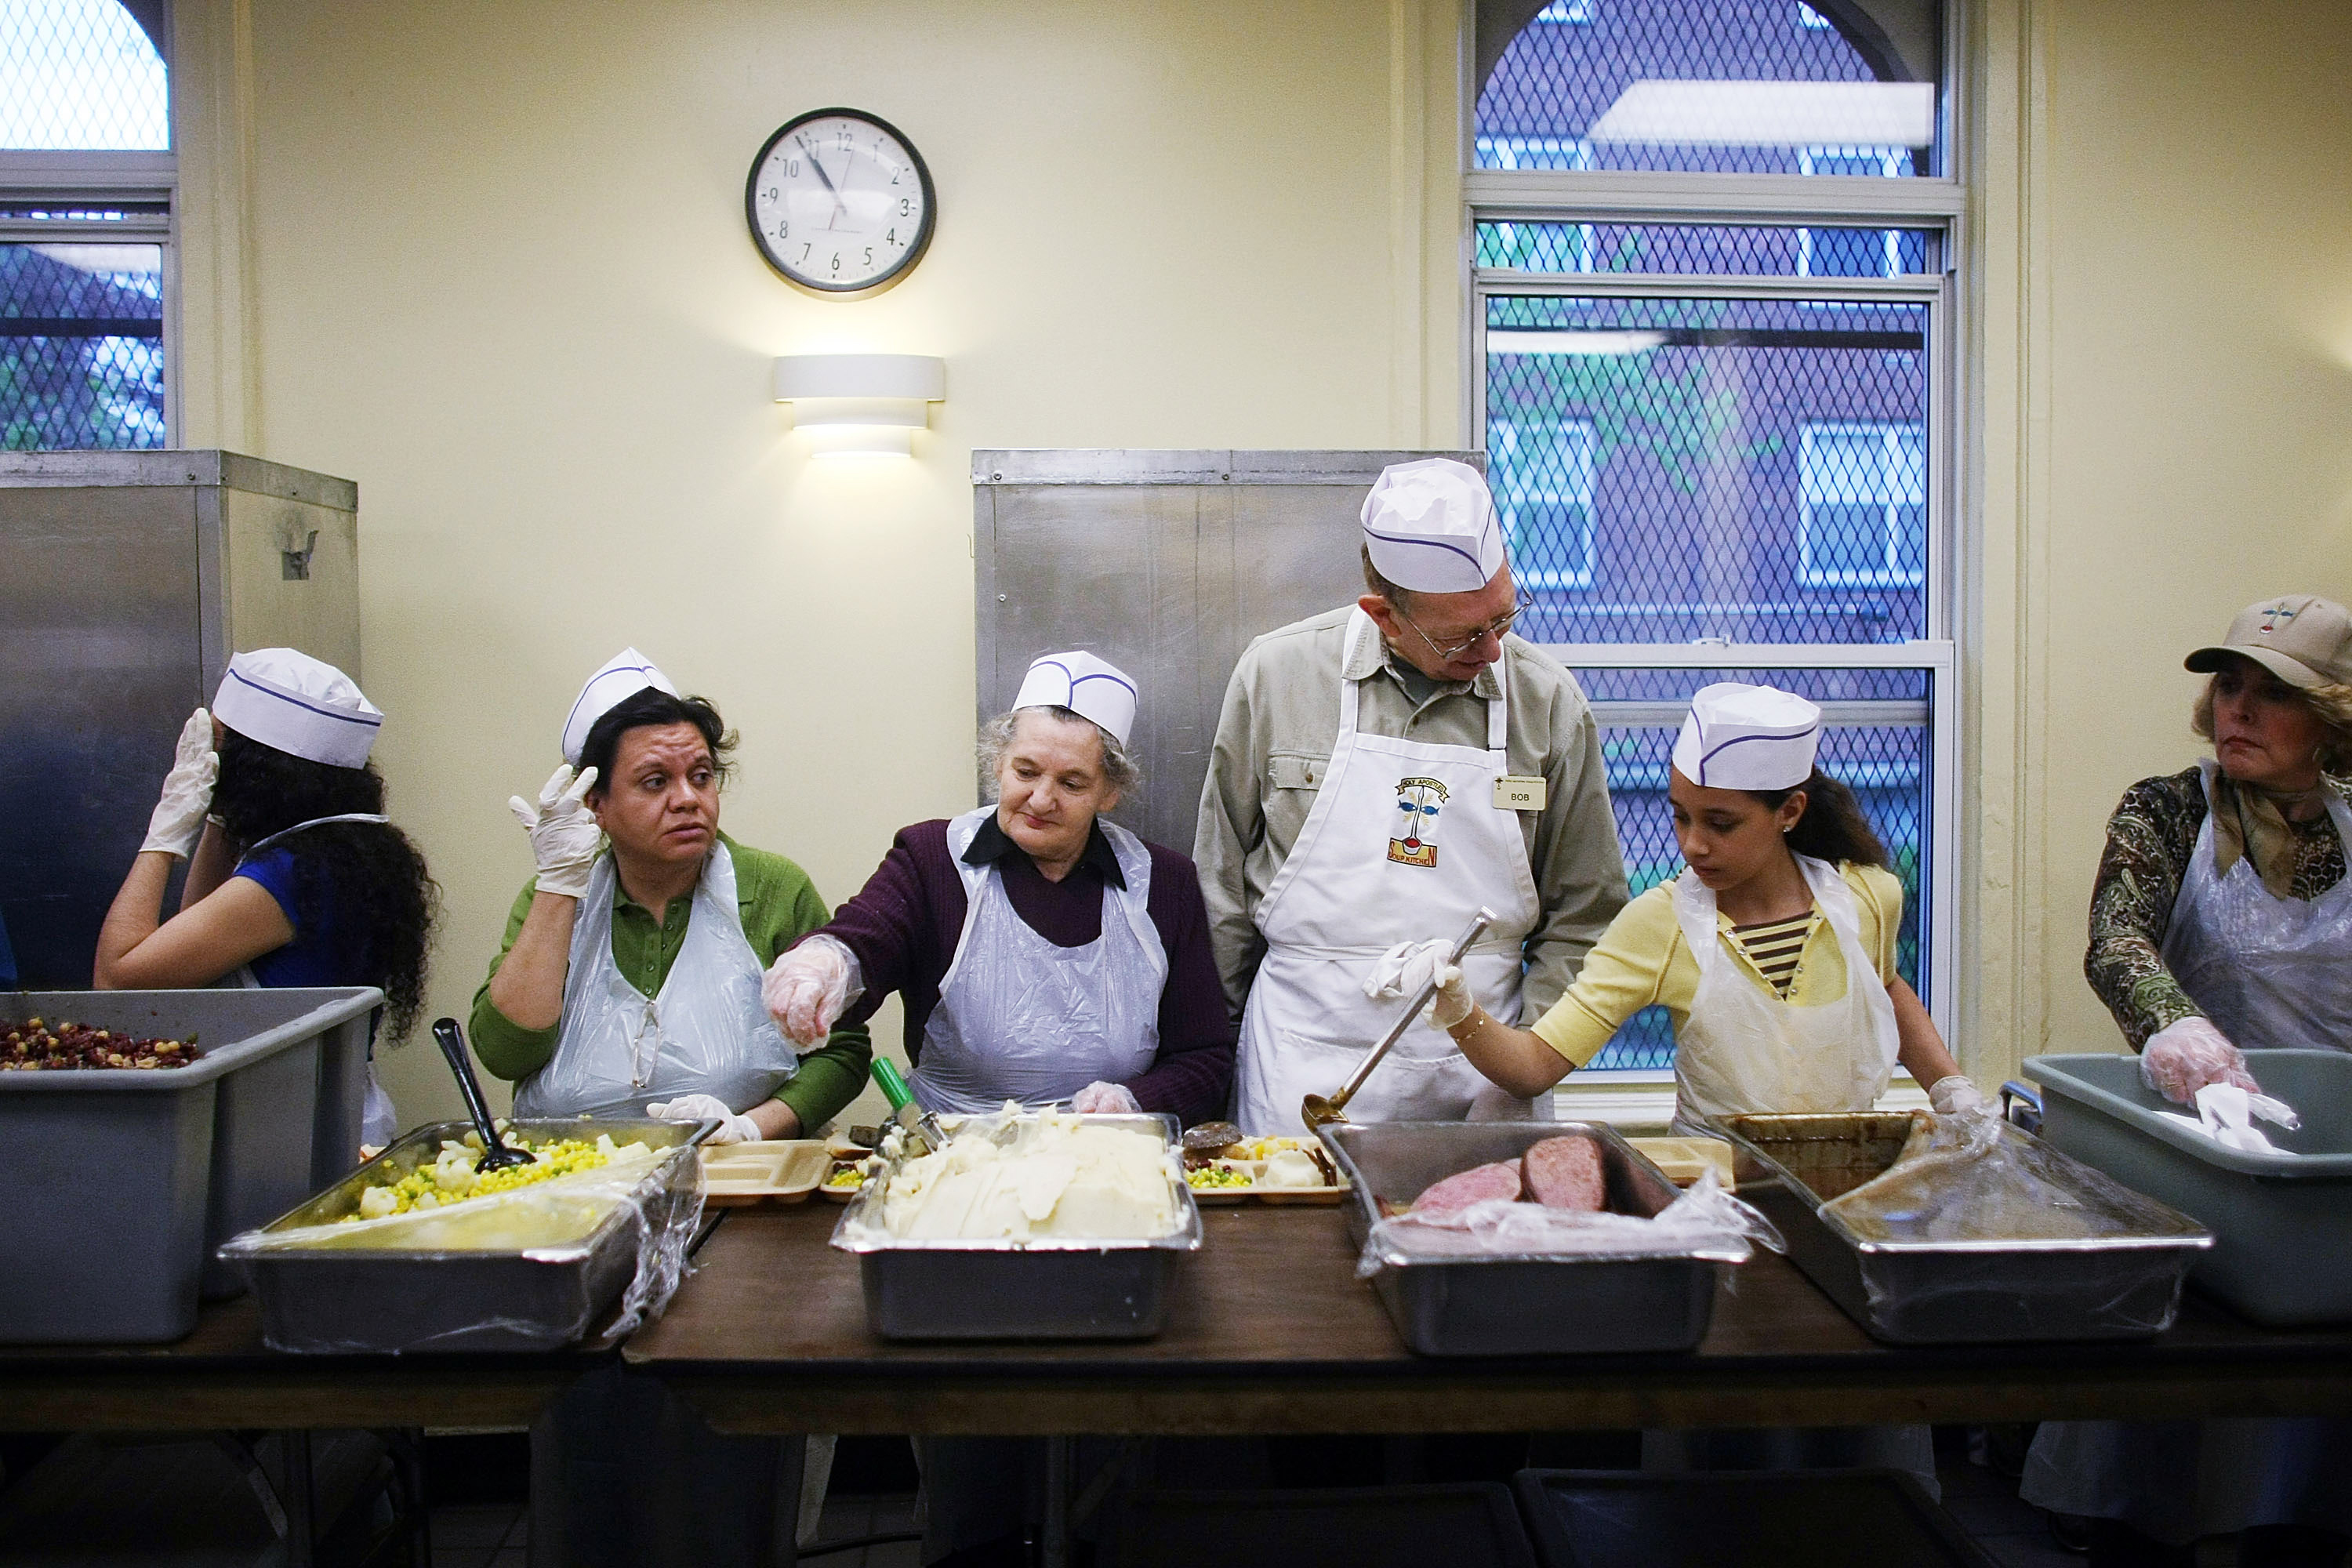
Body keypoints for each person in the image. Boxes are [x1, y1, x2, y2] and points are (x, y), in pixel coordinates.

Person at [2024, 596, 2352, 1568]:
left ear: (2331, 715)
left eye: (2274, 693)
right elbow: (2117, 937)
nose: (2239, 709)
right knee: (2179, 1391)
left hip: (2325, 1152)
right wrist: (2180, 1033)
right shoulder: (2166, 808)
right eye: (2230, 686)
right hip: (2190, 1141)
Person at [1196, 457, 1628, 1134]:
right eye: (1461, 635)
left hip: (1480, 1078)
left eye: (1504, 618)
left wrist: (1528, 1063)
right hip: (1301, 1067)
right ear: (1383, 615)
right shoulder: (1277, 677)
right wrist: (1211, 1056)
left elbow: (1585, 915)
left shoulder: (1548, 704)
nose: (1492, 651)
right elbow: (1219, 892)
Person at [1394, 681, 1976, 1130]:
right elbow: (1532, 1068)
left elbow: (1886, 986)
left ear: (1790, 812)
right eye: (1681, 815)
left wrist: (1949, 1089)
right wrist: (1458, 1008)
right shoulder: (1660, 924)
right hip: (1719, 1192)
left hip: (1848, 1181)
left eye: (1721, 824)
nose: (1693, 843)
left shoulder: (1869, 899)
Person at [764, 650, 1233, 1127]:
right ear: (997, 764)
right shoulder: (931, 859)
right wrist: (826, 964)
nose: (1041, 799)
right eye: (1026, 772)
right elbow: (866, 940)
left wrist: (1131, 1102)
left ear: (1109, 792)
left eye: (1071, 783)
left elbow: (1204, 1059)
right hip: (950, 1156)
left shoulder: (1164, 883)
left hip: (1104, 1157)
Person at [470, 648, 870, 1140]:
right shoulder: (554, 901)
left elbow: (841, 1049)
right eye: (655, 782)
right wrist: (559, 885)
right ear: (595, 803)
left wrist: (748, 1130)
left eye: (701, 777)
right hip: (576, 1178)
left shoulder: (771, 888)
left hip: (741, 1176)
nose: (687, 799)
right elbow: (505, 1054)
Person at [95, 649, 437, 1146]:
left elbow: (118, 980)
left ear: (253, 767)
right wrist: (219, 811)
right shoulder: (342, 850)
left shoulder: (291, 874)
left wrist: (165, 831)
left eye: (219, 748)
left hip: (291, 1132)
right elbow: (190, 946)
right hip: (327, 1114)